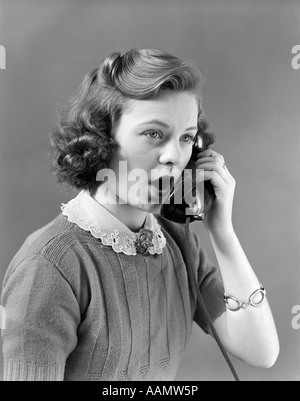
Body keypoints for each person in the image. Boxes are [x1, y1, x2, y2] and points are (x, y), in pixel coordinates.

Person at [1, 48, 279, 381]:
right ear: (100, 140)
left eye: (187, 138)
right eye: (153, 134)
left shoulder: (176, 240)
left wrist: (223, 232)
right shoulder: (49, 266)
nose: (173, 157)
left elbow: (260, 352)